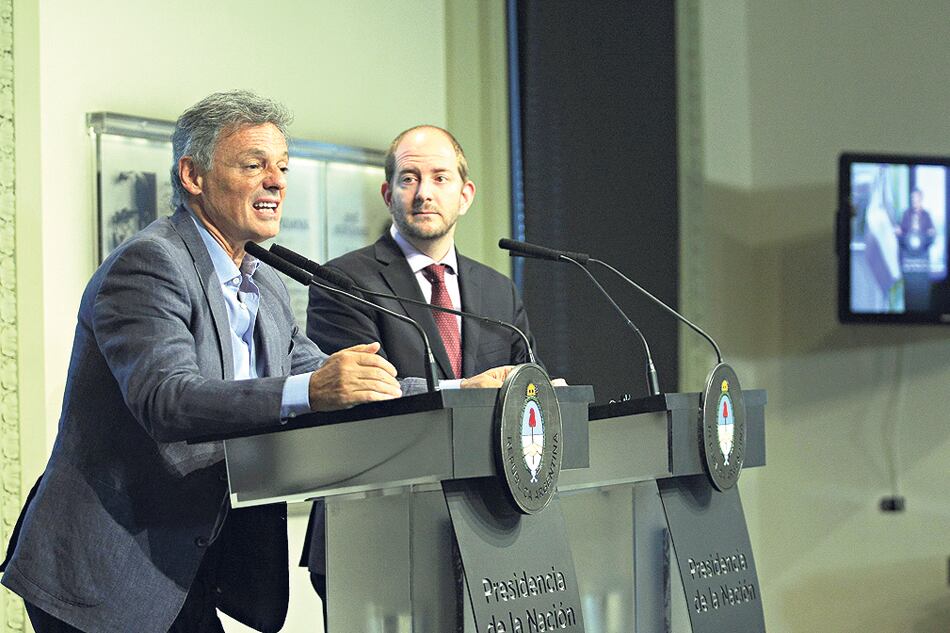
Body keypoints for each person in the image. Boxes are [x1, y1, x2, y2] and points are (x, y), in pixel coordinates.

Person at [0, 92, 509, 633]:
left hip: (187, 563)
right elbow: (167, 399)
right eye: (254, 166)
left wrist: (459, 392)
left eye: (283, 168)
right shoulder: (150, 264)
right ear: (193, 176)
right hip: (107, 566)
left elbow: (344, 382)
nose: (277, 181)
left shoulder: (263, 281)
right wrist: (309, 392)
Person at [301, 125, 538, 614]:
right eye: (409, 178)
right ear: (388, 193)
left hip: (487, 529)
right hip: (373, 528)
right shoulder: (343, 281)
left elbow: (521, 387)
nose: (424, 192)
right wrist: (466, 389)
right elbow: (357, 397)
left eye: (440, 177)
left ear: (465, 194)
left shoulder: (498, 291)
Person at [895, 187, 937, 310]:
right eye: (912, 199)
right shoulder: (905, 214)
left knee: (922, 298)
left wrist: (931, 232)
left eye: (916, 198)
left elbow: (932, 234)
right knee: (910, 294)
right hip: (908, 261)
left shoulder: (927, 215)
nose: (914, 201)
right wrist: (898, 232)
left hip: (922, 262)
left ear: (921, 199)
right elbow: (901, 233)